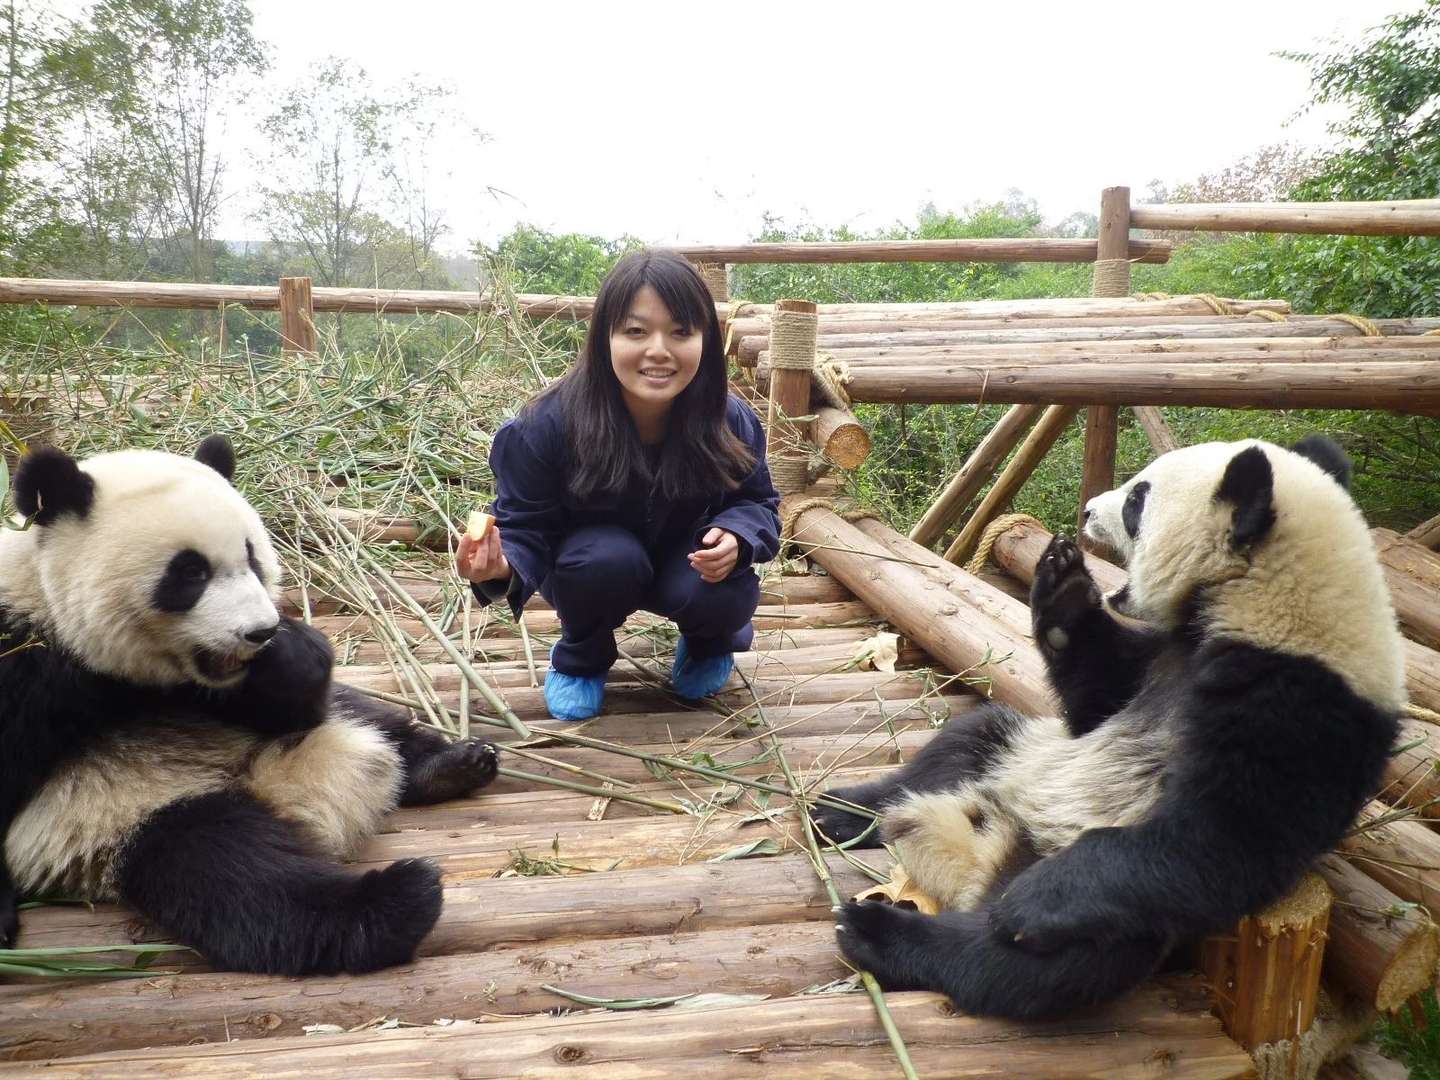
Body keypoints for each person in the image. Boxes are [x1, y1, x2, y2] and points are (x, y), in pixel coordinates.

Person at [455, 250, 781, 722]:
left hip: (687, 560)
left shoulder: (729, 420)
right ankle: (583, 655)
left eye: (680, 332)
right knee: (604, 559)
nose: (658, 350)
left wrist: (738, 535)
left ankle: (708, 645)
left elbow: (758, 502)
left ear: (706, 341)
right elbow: (527, 525)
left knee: (724, 588)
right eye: (636, 331)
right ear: (604, 336)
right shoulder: (543, 427)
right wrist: (499, 567)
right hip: (594, 568)